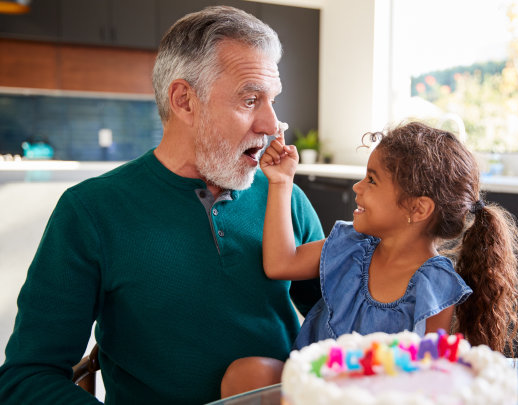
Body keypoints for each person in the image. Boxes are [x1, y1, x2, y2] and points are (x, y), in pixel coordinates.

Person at [0, 6, 323, 404]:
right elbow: (27, 376)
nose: (272, 124)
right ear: (184, 100)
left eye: (272, 100)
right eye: (250, 99)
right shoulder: (90, 212)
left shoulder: (286, 197)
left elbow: (346, 316)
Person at [221, 121, 518, 396]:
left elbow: (427, 379)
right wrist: (281, 182)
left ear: (418, 209)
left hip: (375, 399)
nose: (358, 187)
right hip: (311, 392)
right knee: (246, 374)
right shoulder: (349, 245)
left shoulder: (436, 287)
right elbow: (280, 264)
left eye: (372, 180)